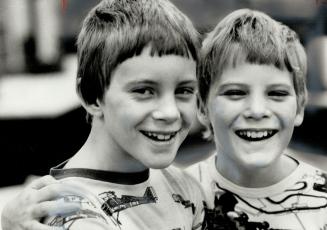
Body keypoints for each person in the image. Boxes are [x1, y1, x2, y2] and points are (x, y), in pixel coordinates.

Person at [1, 0, 205, 229]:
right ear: (91, 96)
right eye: (144, 91)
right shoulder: (70, 213)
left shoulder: (184, 186)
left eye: (184, 90)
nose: (170, 112)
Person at [187, 9, 327, 229]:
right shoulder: (178, 197)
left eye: (277, 94)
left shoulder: (322, 203)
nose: (257, 110)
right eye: (235, 93)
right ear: (202, 106)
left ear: (299, 108)